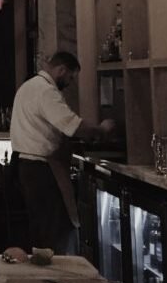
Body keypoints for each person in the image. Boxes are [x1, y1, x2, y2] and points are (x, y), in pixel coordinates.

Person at [10, 51, 116, 254]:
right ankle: (56, 271)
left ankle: (42, 268)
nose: (69, 83)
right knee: (54, 232)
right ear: (61, 70)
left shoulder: (28, 87)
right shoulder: (46, 91)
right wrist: (101, 130)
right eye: (70, 77)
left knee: (41, 231)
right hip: (42, 170)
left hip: (25, 167)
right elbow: (73, 126)